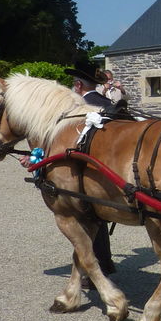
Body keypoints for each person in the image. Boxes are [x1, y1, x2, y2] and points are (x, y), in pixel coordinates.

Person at [63, 62, 116, 278]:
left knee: (85, 217)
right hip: (112, 168)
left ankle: (96, 268)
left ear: (78, 85)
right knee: (98, 220)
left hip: (89, 172)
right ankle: (104, 262)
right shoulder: (108, 103)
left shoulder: (79, 109)